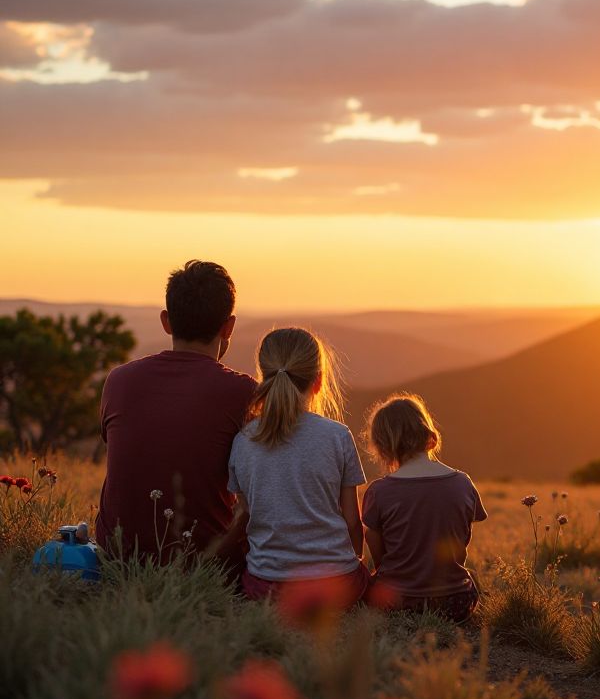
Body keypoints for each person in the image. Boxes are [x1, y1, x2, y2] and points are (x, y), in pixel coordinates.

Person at [96, 261, 256, 580]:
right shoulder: (244, 392)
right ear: (229, 327)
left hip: (117, 560)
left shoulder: (118, 380)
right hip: (209, 567)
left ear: (166, 322)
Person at [227, 327, 368, 606]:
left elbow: (246, 511)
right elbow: (353, 520)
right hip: (335, 585)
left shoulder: (243, 441)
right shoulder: (337, 436)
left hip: (266, 586)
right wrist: (356, 560)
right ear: (317, 382)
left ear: (263, 378)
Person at [361, 394, 486, 623]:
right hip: (455, 602)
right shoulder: (463, 482)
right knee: (472, 577)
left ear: (382, 447)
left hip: (396, 602)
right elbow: (462, 536)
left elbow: (373, 541)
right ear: (431, 437)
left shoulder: (379, 491)